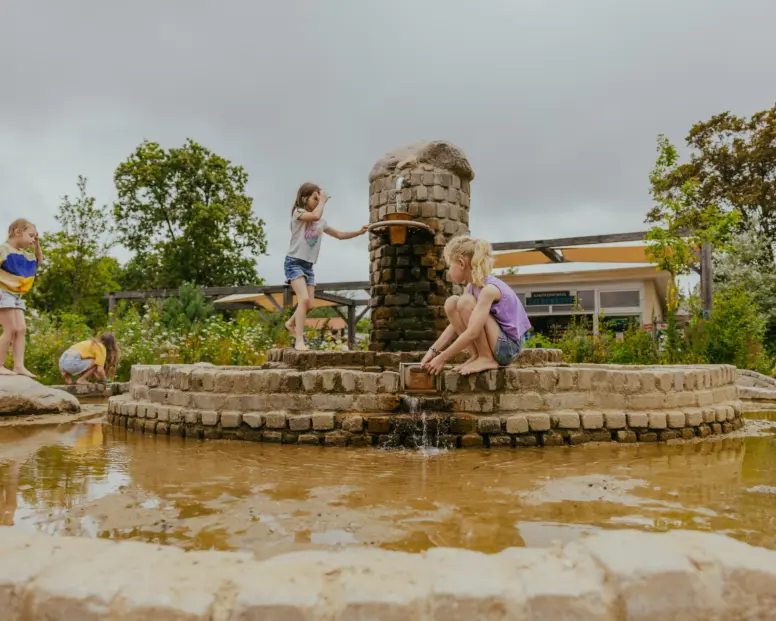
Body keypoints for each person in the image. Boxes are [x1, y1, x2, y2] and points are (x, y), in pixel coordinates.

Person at [421, 236, 531, 376]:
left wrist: (442, 358)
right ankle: (477, 355)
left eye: (450, 266)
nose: (448, 272)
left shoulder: (488, 289)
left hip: (508, 348)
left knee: (464, 301)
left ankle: (486, 358)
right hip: (497, 341)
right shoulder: (471, 288)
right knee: (452, 303)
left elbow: (473, 332)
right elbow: (454, 326)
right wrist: (433, 350)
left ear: (461, 263)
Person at [283, 182, 368, 351]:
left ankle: (290, 323)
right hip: (294, 262)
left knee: (310, 304)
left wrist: (358, 232)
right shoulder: (298, 213)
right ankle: (299, 340)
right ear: (304, 198)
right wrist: (322, 200)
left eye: (318, 199)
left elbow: (339, 235)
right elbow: (314, 216)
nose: (317, 201)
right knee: (304, 299)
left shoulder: (321, 222)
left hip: (308, 266)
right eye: (314, 198)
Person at [0, 219, 42, 378]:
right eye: (31, 236)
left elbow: (39, 260)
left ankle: (19, 366)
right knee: (9, 329)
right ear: (17, 231)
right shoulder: (4, 249)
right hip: (3, 292)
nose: (33, 239)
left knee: (21, 329)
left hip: (17, 295)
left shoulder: (25, 254)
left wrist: (37, 244)